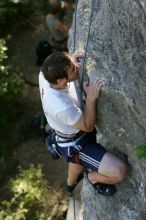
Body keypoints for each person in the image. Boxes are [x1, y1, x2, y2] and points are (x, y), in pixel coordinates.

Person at [39, 51, 128, 196]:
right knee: (120, 171)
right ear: (61, 80)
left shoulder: (45, 73)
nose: (77, 67)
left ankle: (69, 184)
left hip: (67, 134)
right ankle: (93, 178)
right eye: (73, 69)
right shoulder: (61, 106)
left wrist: (70, 59)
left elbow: (57, 63)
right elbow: (88, 126)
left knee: (77, 162)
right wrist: (91, 98)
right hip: (76, 143)